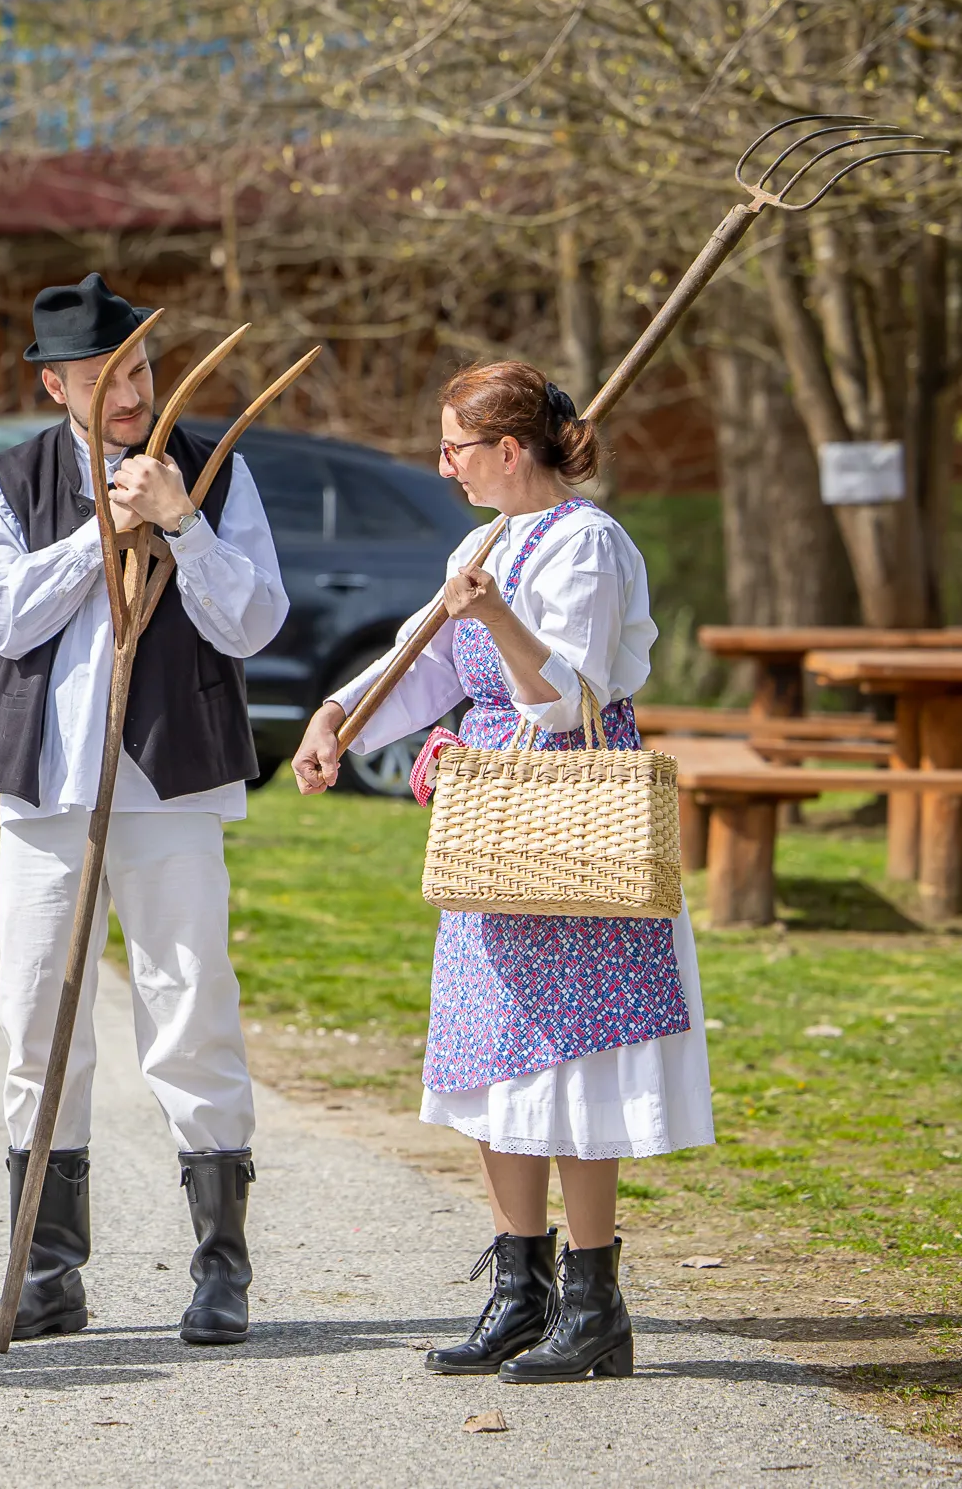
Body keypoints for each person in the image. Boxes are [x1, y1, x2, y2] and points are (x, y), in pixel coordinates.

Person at [291, 360, 714, 1384]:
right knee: (490, 1055)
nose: (443, 466)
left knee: (574, 1059)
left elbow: (565, 693)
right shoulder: (483, 540)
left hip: (572, 817)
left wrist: (494, 617)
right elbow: (423, 663)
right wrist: (337, 715)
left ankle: (592, 1297)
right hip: (492, 823)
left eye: (454, 447)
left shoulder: (588, 543)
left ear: (508, 450)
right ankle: (515, 1290)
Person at [0, 274, 291, 1346]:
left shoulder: (219, 468)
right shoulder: (8, 482)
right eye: (105, 377)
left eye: (141, 368)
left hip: (172, 778)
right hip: (51, 788)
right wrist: (103, 522)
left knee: (189, 1003)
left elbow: (252, 620)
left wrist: (180, 521)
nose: (132, 392)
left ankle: (219, 1269)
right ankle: (47, 1269)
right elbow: (4, 615)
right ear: (57, 384)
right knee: (36, 1019)